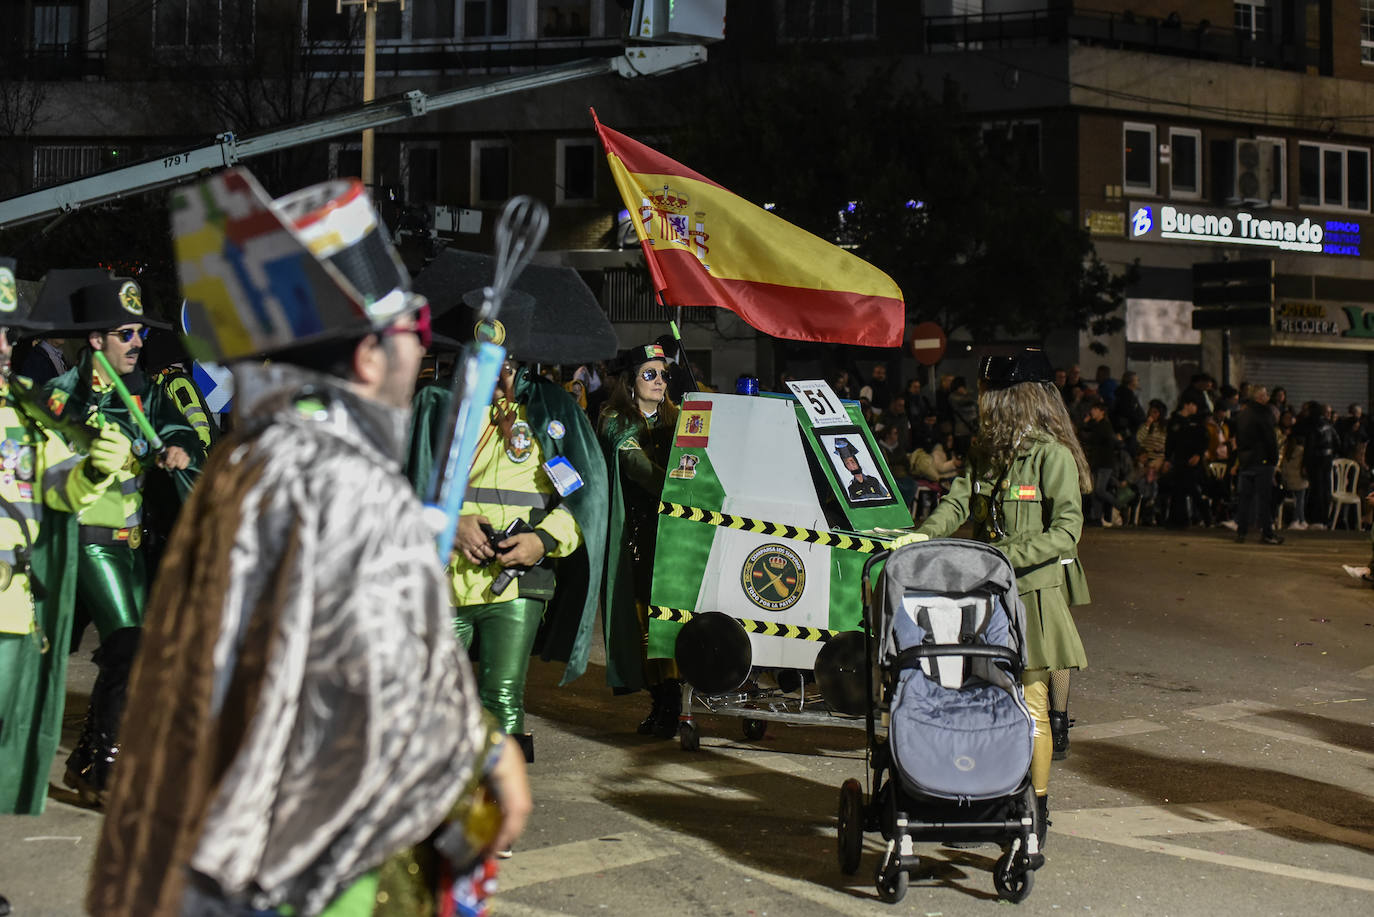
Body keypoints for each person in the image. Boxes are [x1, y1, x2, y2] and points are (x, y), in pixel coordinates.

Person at [89, 169, 531, 916]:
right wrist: (484, 751)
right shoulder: (341, 480)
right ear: (366, 356)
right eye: (415, 334)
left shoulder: (256, 457)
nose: (424, 353)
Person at [913, 347, 1090, 844]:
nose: (982, 400)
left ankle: (1036, 808)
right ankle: (984, 789)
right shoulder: (984, 449)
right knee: (978, 697)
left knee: (1031, 706)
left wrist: (1005, 555)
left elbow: (1066, 533)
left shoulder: (1051, 456)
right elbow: (957, 502)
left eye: (990, 392)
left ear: (1018, 398)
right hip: (984, 592)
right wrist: (921, 537)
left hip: (1031, 594)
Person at [39, 277, 205, 806]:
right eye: (124, 333)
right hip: (86, 539)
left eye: (138, 333)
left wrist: (179, 449)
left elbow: (180, 429)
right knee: (127, 644)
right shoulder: (61, 396)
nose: (137, 342)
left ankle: (90, 757)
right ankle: (104, 766)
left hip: (132, 541)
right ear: (95, 340)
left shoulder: (149, 390)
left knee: (131, 651)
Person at [0, 258, 131, 915]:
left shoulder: (24, 413)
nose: (3, 347)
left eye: (6, 333)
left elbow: (58, 490)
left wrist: (92, 472)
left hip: (17, 609)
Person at [445, 325, 609, 763]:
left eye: (505, 363)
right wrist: (450, 524)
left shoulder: (550, 406)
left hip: (516, 580)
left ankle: (495, 808)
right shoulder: (441, 405)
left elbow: (585, 491)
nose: (497, 373)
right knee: (432, 697)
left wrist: (544, 538)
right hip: (445, 576)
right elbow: (410, 479)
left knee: (502, 697)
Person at [600, 343, 683, 737]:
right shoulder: (616, 419)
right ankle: (665, 699)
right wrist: (679, 490)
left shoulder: (682, 417)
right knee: (648, 620)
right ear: (629, 381)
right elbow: (635, 466)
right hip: (639, 534)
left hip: (684, 531)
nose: (660, 381)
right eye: (649, 374)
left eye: (664, 374)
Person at [1231, 385, 1283, 545]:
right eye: (1266, 394)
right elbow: (1270, 439)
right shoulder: (1264, 413)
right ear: (1260, 397)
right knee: (1264, 499)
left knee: (1245, 499)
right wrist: (1273, 461)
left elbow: (1238, 439)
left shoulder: (1241, 415)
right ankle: (1267, 533)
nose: (1268, 397)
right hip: (1263, 462)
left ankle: (1241, 532)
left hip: (1246, 462)